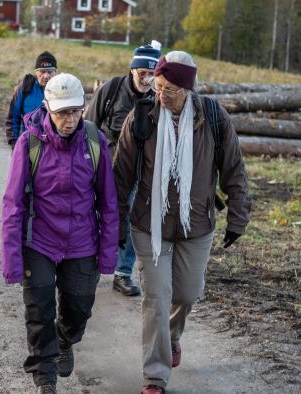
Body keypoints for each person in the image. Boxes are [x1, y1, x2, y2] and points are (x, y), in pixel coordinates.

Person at [112, 51, 251, 394]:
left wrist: (238, 216)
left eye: (171, 89)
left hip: (196, 225)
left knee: (187, 294)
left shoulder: (213, 118)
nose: (162, 96)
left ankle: (172, 337)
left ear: (188, 88)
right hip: (149, 225)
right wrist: (114, 221)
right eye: (158, 87)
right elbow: (121, 175)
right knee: (156, 298)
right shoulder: (142, 117)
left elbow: (233, 168)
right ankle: (155, 378)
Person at [1, 73, 118, 394]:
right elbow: (13, 203)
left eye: (75, 111)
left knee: (79, 309)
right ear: (48, 109)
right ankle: (45, 378)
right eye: (62, 113)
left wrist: (108, 255)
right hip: (38, 241)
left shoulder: (94, 142)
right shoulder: (30, 142)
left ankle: (66, 338)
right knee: (39, 310)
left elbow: (108, 202)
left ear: (83, 108)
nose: (69, 120)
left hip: (82, 242)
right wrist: (12, 259)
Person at [85, 40, 162, 297]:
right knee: (100, 216)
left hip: (141, 172)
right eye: (143, 74)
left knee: (132, 220)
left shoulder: (159, 98)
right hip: (107, 169)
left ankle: (122, 273)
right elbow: (88, 126)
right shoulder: (112, 89)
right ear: (132, 70)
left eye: (153, 75)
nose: (147, 79)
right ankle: (91, 269)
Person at [4, 51, 58, 148]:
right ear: (36, 72)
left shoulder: (62, 90)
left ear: (55, 72)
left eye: (50, 72)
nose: (46, 76)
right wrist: (15, 144)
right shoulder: (25, 87)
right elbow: (13, 117)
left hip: (54, 146)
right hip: (30, 145)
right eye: (42, 72)